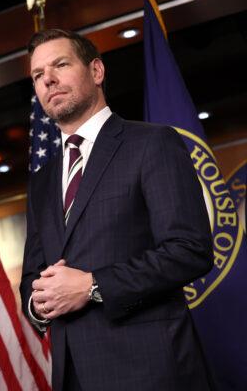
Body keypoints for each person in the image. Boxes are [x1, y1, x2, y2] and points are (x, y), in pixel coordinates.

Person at [20, 29, 214, 391]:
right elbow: (33, 277)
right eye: (37, 74)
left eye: (61, 64)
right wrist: (39, 303)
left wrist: (92, 286)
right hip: (72, 373)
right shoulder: (41, 180)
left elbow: (190, 250)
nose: (48, 79)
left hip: (151, 371)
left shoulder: (152, 143)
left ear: (96, 71)